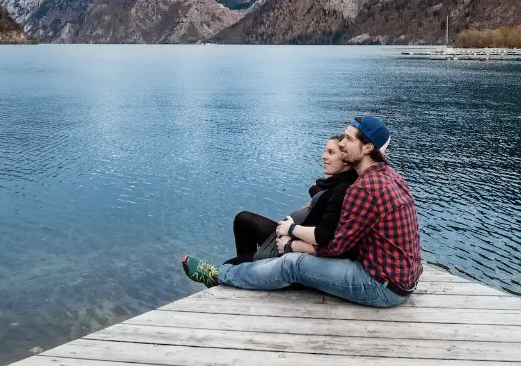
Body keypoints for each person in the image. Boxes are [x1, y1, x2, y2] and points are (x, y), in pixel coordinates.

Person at [180, 116, 422, 308]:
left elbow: (335, 246)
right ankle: (236, 276)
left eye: (348, 139)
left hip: (380, 286)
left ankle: (219, 275)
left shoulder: (364, 188)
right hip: (399, 278)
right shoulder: (388, 175)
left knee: (293, 265)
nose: (342, 144)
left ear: (368, 147)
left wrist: (291, 243)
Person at [217, 134, 358, 267]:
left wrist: (290, 231)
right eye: (325, 151)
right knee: (243, 220)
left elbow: (323, 235)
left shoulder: (341, 189)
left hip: (291, 245)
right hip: (289, 235)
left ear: (345, 159)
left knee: (228, 266)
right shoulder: (333, 184)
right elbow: (317, 194)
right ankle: (249, 269)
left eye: (331, 152)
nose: (323, 157)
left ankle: (246, 270)